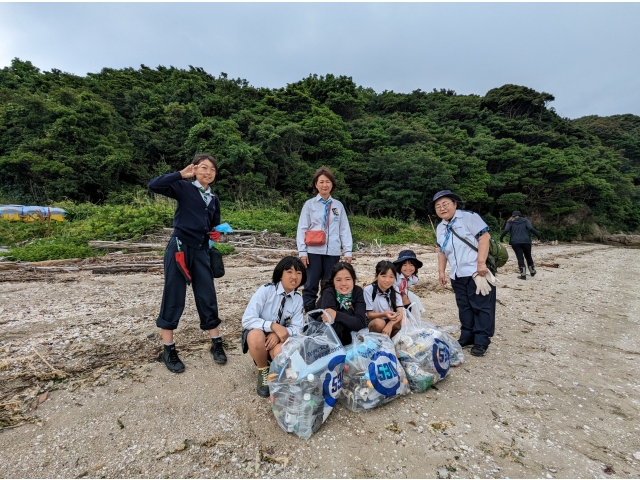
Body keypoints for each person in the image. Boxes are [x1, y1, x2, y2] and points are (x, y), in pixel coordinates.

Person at [148, 153, 227, 373]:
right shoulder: (183, 187)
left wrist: (215, 234)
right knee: (174, 295)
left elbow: (214, 225)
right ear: (195, 169)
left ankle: (216, 343)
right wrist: (181, 174)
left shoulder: (214, 199)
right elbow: (154, 185)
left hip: (201, 250)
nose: (208, 172)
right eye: (204, 167)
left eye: (212, 169)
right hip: (180, 248)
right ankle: (168, 349)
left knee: (207, 294)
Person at [428, 190, 497, 357]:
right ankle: (467, 335)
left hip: (476, 272)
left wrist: (481, 263)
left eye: (445, 204)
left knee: (482, 305)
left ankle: (481, 340)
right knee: (464, 306)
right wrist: (441, 271)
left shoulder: (469, 217)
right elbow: (441, 250)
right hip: (457, 274)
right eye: (438, 206)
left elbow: (484, 238)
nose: (442, 208)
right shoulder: (440, 227)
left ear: (455, 204)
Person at [241, 257, 306, 397]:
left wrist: (279, 333)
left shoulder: (298, 299)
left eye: (299, 273)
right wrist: (272, 326)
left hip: (279, 337)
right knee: (255, 335)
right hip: (259, 333)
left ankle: (275, 371)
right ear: (280, 274)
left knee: (279, 351)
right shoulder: (265, 291)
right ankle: (263, 369)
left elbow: (298, 328)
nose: (294, 276)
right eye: (289, 272)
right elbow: (247, 320)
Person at [296, 166, 353, 312]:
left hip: (333, 251)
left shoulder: (338, 205)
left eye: (327, 182)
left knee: (328, 284)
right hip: (313, 251)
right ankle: (309, 313)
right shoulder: (309, 204)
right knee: (310, 283)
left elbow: (344, 229)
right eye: (321, 182)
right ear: (316, 184)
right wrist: (302, 252)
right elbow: (302, 228)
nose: (324, 185)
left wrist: (348, 251)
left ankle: (325, 311)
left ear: (332, 184)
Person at [316, 261, 367, 346]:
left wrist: (336, 315)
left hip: (349, 339)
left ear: (354, 280)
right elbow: (332, 328)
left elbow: (361, 323)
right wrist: (351, 317)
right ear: (333, 281)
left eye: (348, 279)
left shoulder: (358, 291)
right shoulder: (328, 293)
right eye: (338, 280)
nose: (343, 284)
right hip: (328, 341)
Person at [364, 260, 404, 339]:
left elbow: (399, 312)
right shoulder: (368, 290)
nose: (387, 280)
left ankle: (392, 342)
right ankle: (377, 341)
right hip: (374, 321)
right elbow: (369, 315)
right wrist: (384, 314)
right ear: (376, 276)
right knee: (380, 323)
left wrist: (390, 324)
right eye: (383, 276)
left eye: (391, 277)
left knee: (405, 322)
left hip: (390, 319)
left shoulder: (395, 289)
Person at [500, 211, 541, 280]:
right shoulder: (525, 220)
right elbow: (531, 228)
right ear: (520, 215)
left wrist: (501, 238)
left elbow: (506, 230)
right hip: (526, 241)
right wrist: (538, 236)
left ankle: (523, 275)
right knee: (528, 256)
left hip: (515, 242)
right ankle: (532, 271)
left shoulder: (510, 221)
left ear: (513, 215)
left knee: (520, 257)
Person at [392, 249, 425, 318]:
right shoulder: (394, 277)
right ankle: (398, 315)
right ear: (399, 266)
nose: (408, 268)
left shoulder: (413, 279)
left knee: (409, 299)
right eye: (404, 265)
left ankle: (407, 316)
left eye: (411, 265)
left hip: (400, 292)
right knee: (401, 301)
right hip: (389, 294)